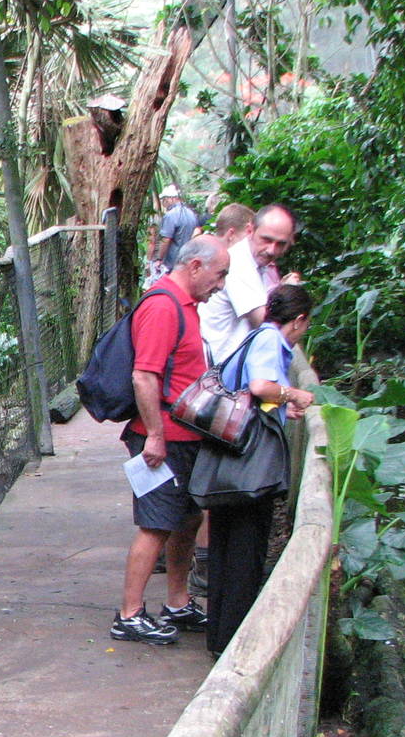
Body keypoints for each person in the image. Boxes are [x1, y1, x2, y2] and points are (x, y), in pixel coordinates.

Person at [113, 234, 231, 644]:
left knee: (187, 519)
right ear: (195, 266)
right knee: (156, 524)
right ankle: (129, 614)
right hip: (161, 439)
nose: (221, 285)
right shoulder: (163, 306)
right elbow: (144, 376)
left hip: (186, 436)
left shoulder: (187, 305)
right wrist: (156, 436)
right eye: (219, 274)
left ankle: (178, 603)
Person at [204, 283, 316, 658]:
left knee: (225, 548)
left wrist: (283, 408)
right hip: (248, 466)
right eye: (306, 325)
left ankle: (220, 637)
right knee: (245, 551)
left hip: (231, 459)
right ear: (298, 320)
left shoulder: (257, 336)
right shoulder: (270, 340)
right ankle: (234, 641)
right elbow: (259, 386)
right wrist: (294, 394)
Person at [202, 204, 296, 364]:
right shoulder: (238, 263)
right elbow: (268, 326)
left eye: (280, 244)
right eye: (266, 240)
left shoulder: (258, 263)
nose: (272, 250)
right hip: (220, 369)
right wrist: (292, 295)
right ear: (250, 230)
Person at [147, 185, 199, 285]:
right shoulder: (191, 214)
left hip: (172, 262)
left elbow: (166, 240)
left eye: (164, 199)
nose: (163, 203)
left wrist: (159, 259)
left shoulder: (170, 215)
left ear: (171, 198)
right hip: (187, 259)